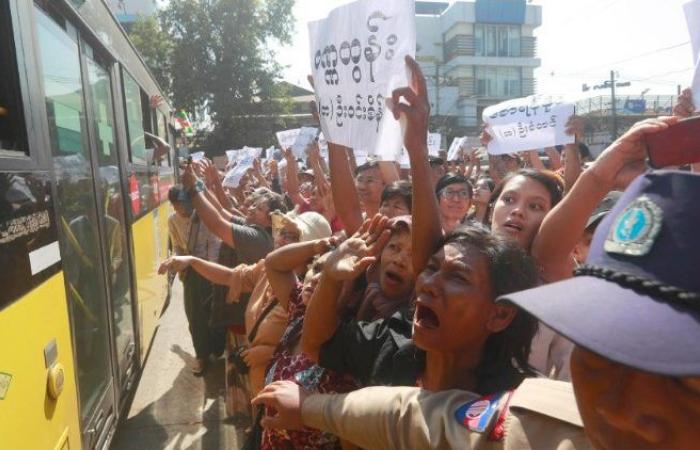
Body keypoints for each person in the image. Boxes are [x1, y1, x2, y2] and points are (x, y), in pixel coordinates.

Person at [251, 114, 696, 450]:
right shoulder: (527, 420)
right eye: (601, 361)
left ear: (501, 312)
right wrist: (311, 406)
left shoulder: (517, 383)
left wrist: (595, 173)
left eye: (685, 382)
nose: (626, 408)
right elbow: (415, 417)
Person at [166, 184, 223, 374]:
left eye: (183, 202)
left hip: (208, 269)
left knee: (212, 311)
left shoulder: (203, 217)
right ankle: (201, 356)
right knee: (194, 316)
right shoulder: (172, 220)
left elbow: (214, 245)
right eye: (177, 204)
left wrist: (214, 273)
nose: (181, 208)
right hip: (189, 273)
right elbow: (177, 246)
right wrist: (177, 263)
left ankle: (216, 348)